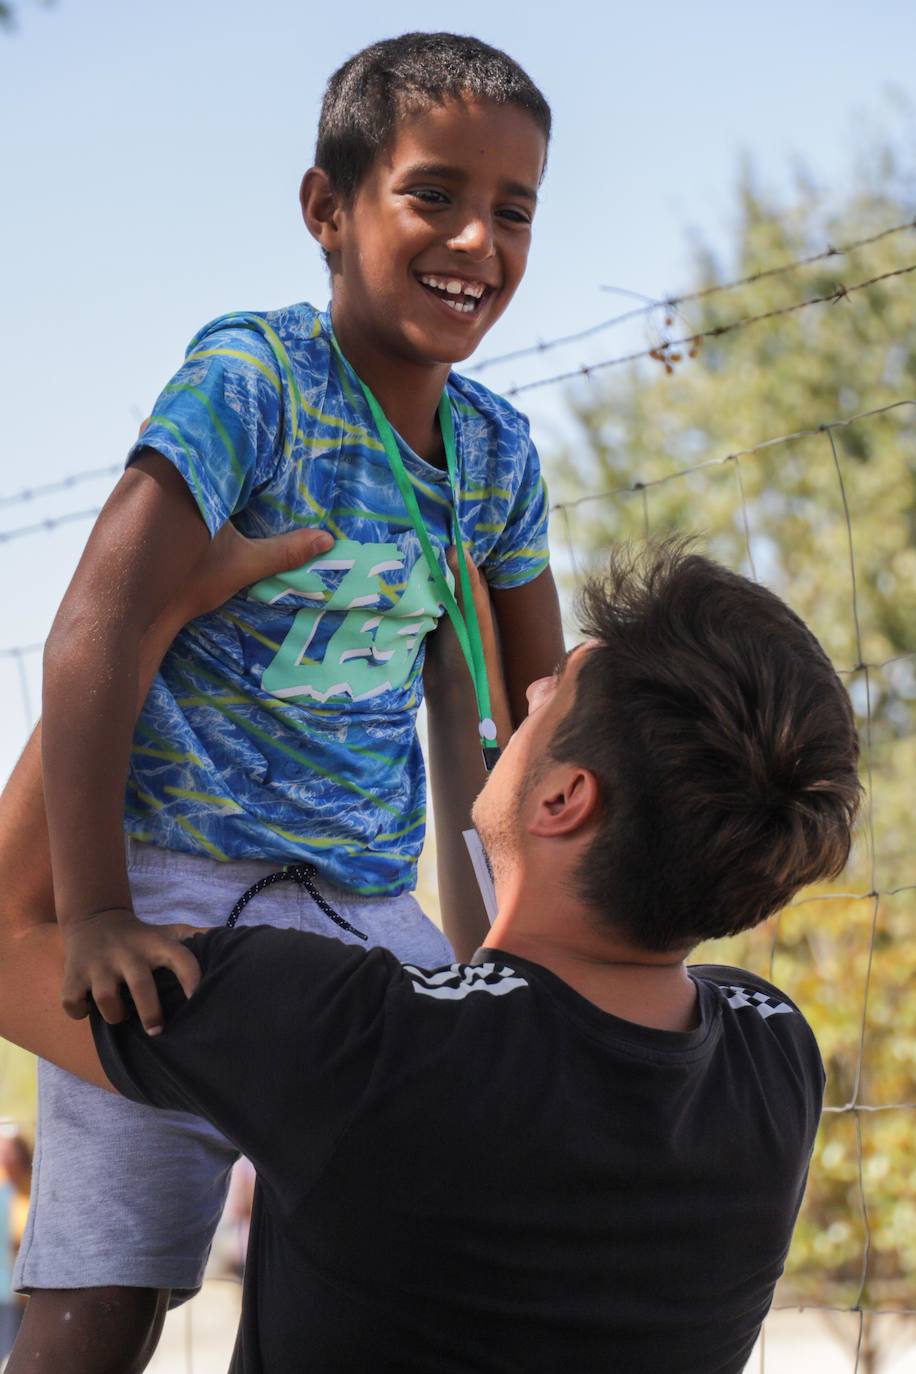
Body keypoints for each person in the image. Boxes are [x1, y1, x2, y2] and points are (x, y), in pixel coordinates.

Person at [13, 31, 564, 1371]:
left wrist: (508, 940)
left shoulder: (492, 451)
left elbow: (524, 714)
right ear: (328, 208)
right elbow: (95, 633)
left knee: (476, 1174)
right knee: (106, 1297)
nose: (475, 240)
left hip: (367, 894)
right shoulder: (252, 384)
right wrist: (93, 913)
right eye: (434, 194)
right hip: (176, 883)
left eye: (512, 210)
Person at [0, 538, 861, 1373]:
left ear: (565, 798)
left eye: (552, 694)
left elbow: (7, 944)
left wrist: (153, 613)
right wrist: (460, 686)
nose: (528, 685)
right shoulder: (774, 1056)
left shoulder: (345, 1044)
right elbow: (507, 1006)